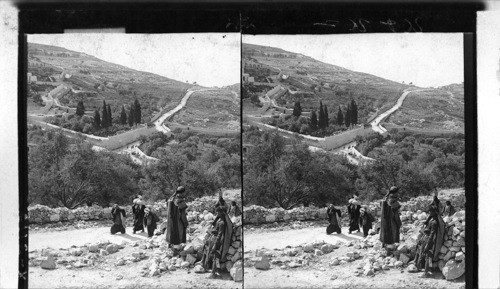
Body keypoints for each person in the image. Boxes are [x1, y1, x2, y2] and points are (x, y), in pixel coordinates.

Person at [201, 206, 233, 279]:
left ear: (222, 213)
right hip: (213, 238)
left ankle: (213, 273)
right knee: (208, 251)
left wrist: (216, 244)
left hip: (217, 240)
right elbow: (216, 230)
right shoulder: (219, 220)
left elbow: (220, 234)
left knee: (216, 256)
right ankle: (206, 267)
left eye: (218, 212)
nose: (216, 213)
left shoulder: (222, 222)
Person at [413, 204, 445, 277]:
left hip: (428, 239)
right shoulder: (431, 219)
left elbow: (432, 233)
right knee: (420, 251)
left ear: (434, 212)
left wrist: (428, 243)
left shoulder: (434, 222)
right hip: (425, 237)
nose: (429, 212)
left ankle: (426, 273)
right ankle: (421, 267)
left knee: (428, 255)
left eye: (430, 211)